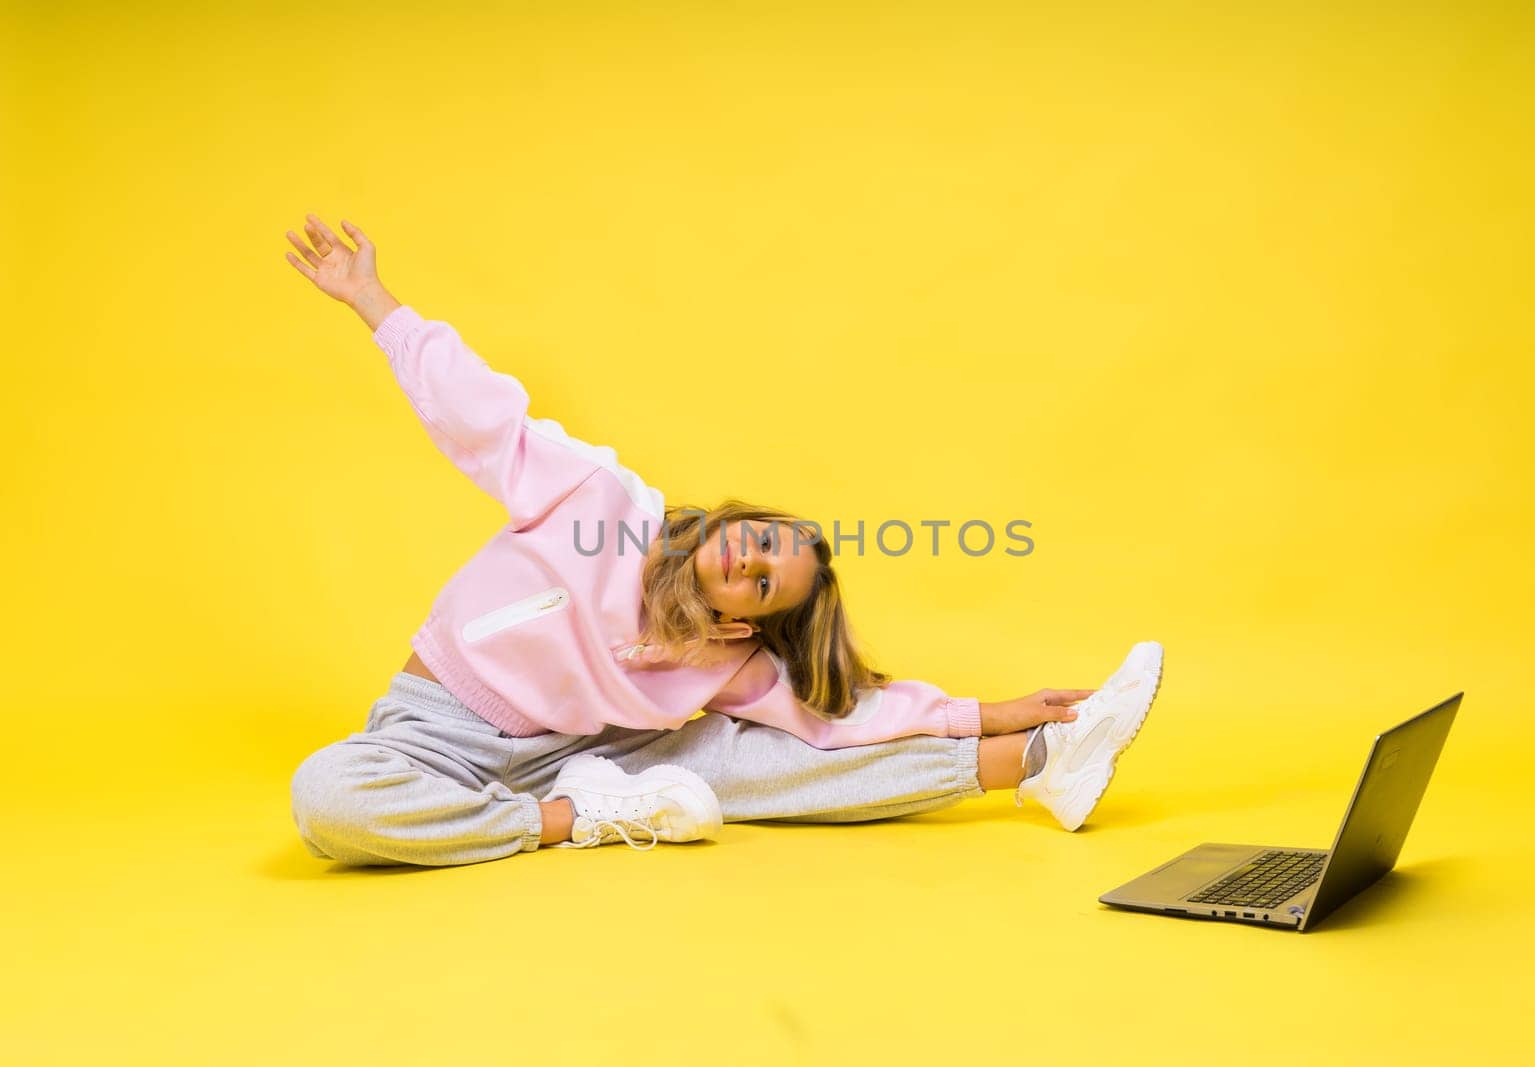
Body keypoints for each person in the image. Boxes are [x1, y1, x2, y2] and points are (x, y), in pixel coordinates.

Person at [282, 213, 1165, 867]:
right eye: (764, 539)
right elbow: (483, 417)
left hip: (596, 750)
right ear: (734, 518)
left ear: (748, 621)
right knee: (326, 799)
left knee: (771, 765)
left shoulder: (725, 660)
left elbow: (844, 716)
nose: (753, 560)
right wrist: (374, 302)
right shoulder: (599, 498)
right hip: (440, 734)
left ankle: (1043, 758)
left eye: (767, 583)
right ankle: (570, 818)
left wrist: (994, 712)